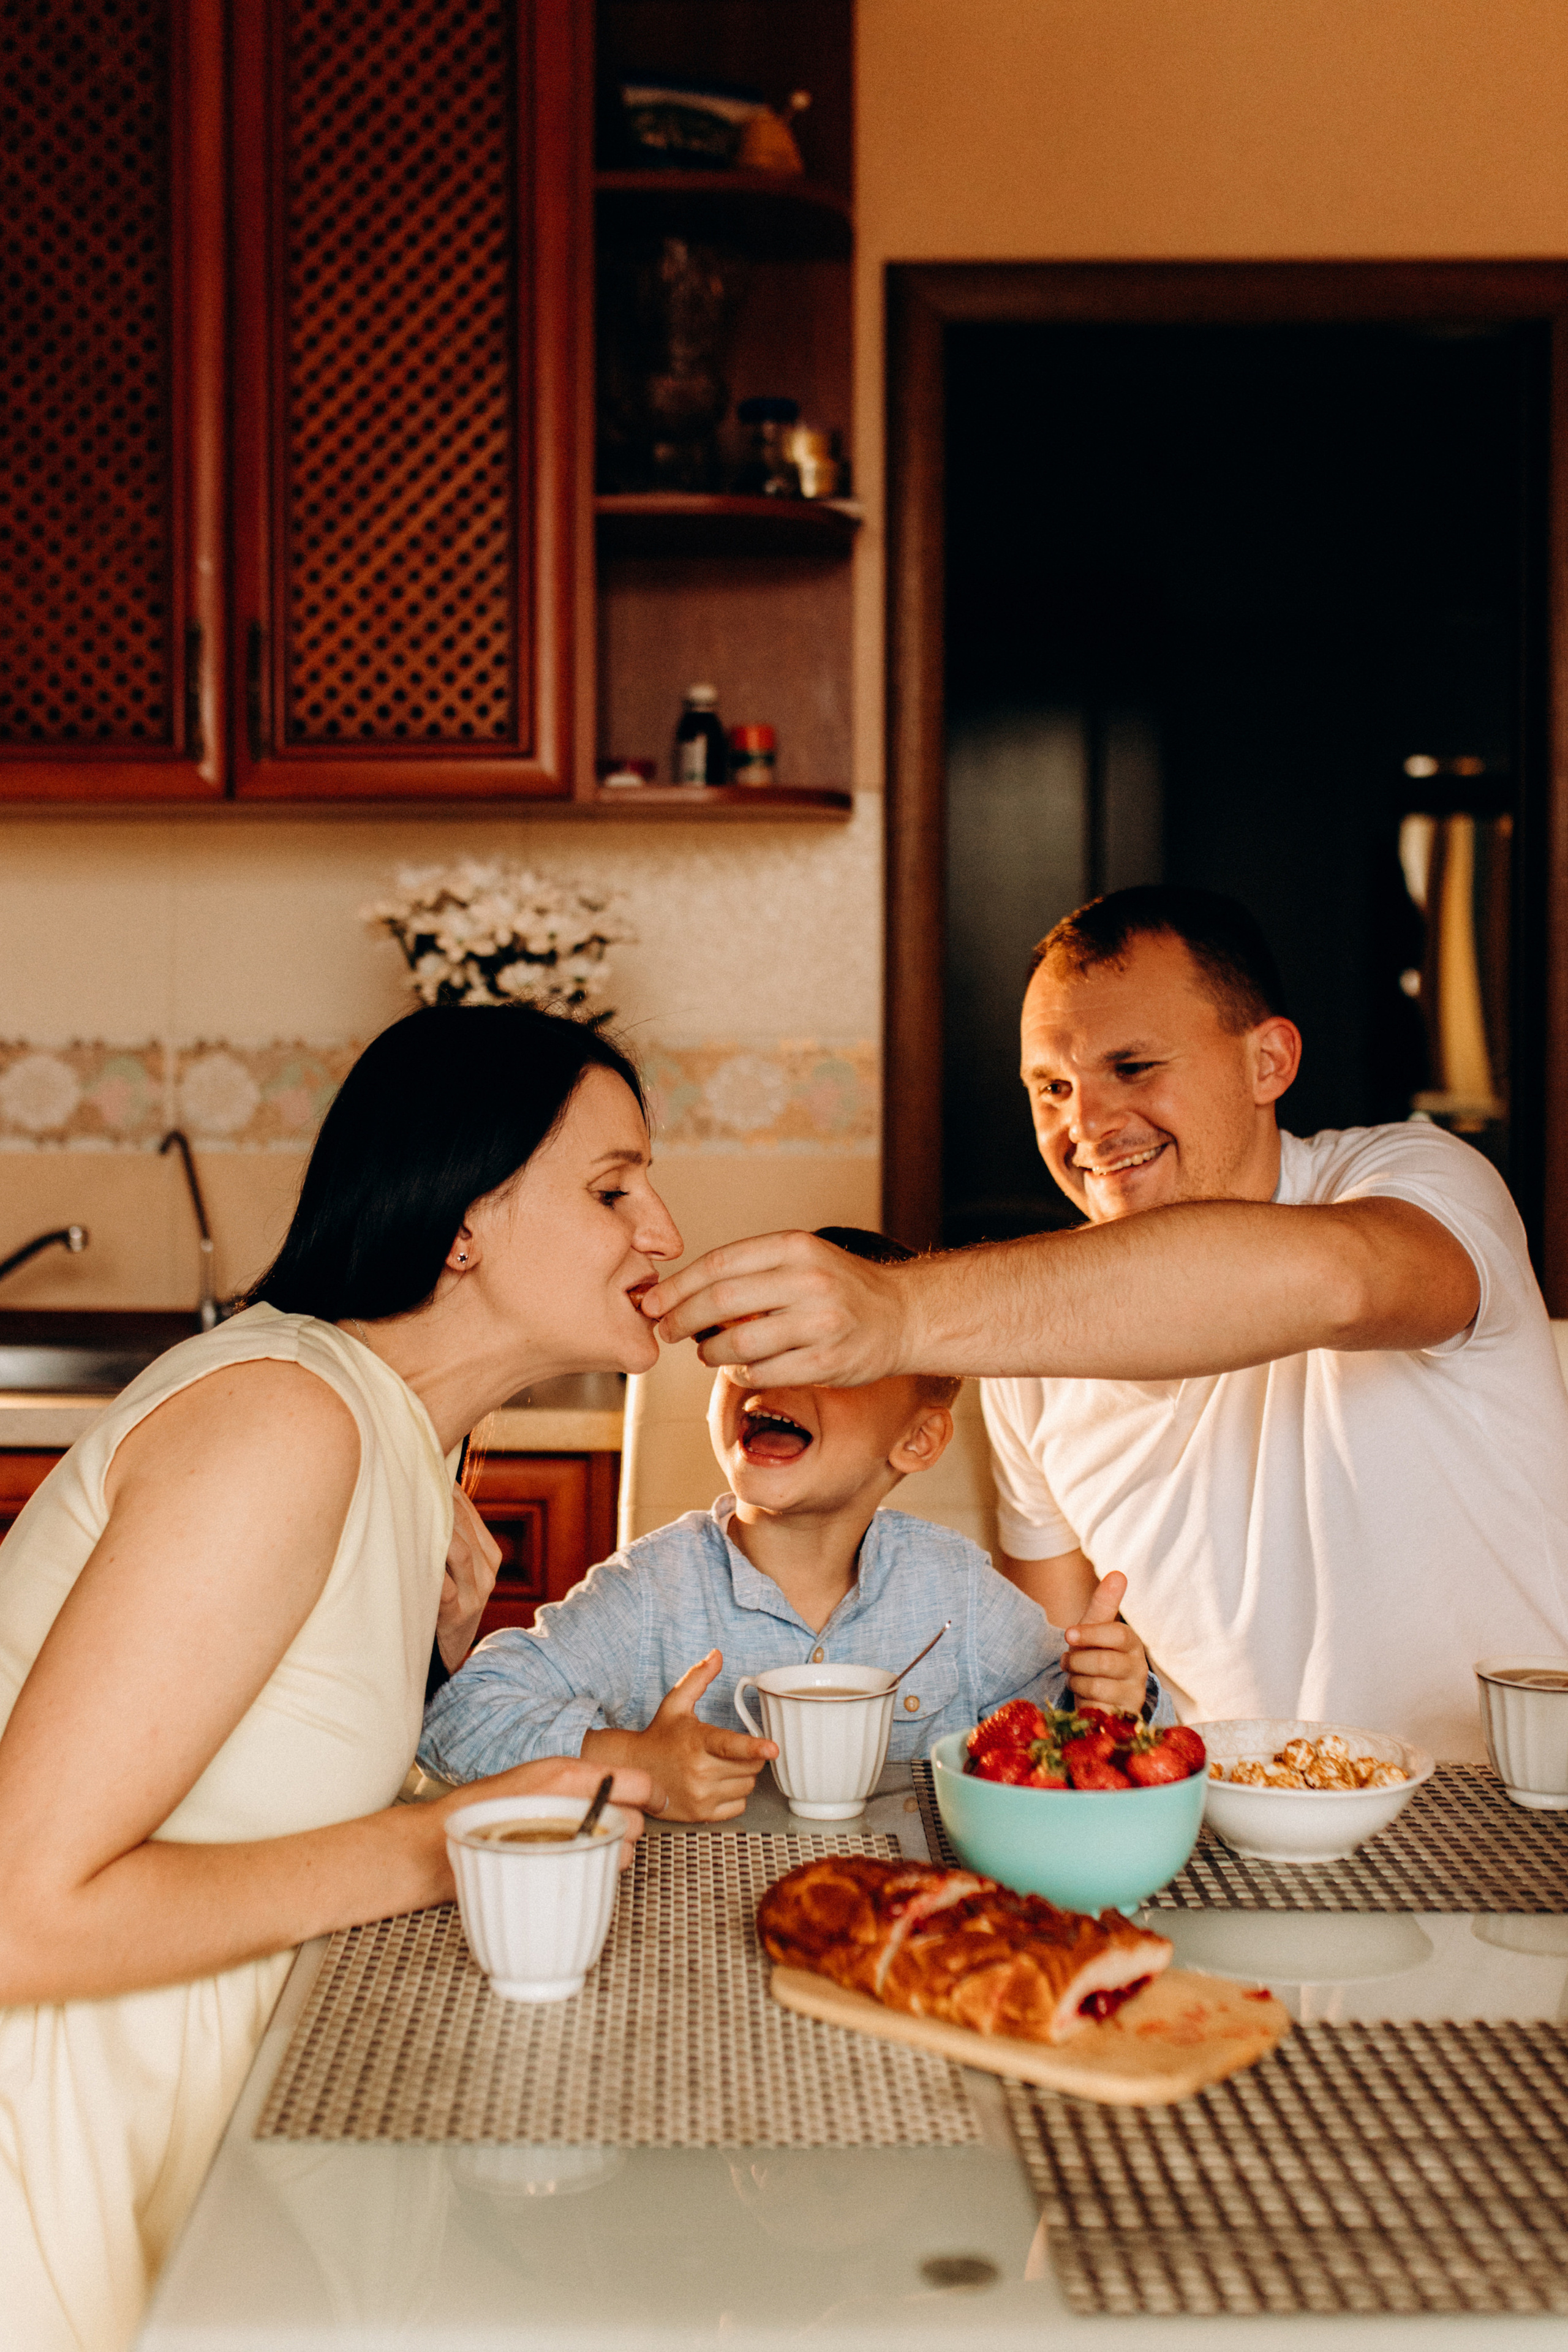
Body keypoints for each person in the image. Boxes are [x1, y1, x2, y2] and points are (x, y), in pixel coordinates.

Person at [0, 1006, 674, 2352]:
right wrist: (454, 1841)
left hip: (202, 2110)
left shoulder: (397, 1445)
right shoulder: (283, 1418)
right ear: (462, 1221)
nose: (660, 1229)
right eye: (611, 1189)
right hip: (54, 2142)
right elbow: (22, 1914)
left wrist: (426, 1669)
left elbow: (247, 1779)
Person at [641, 888, 1568, 1761]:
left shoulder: (1421, 1181)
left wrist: (899, 1311)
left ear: (1268, 1062)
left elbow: (1342, 1284)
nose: (1085, 1124)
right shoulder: (1028, 1353)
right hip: (1225, 1827)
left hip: (1501, 1804)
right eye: (1050, 1088)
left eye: (1132, 1067)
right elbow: (1042, 1679)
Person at [419, 1229, 1158, 1819]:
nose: (767, 1376)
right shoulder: (652, 1592)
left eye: (827, 1358)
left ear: (918, 1440)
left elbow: (1068, 1738)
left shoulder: (955, 1594)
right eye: (751, 1347)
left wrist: (1110, 1699)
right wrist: (633, 1759)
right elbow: (459, 1723)